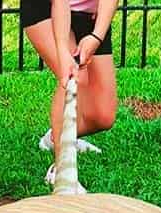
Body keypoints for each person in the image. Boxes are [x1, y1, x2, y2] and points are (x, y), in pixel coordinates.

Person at [21, 0, 118, 191]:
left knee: (103, 117)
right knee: (75, 77)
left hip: (89, 15)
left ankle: (57, 136)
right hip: (46, 9)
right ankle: (61, 170)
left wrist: (97, 35)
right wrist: (63, 50)